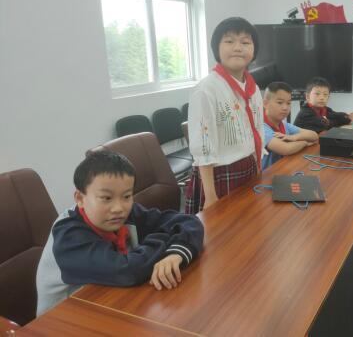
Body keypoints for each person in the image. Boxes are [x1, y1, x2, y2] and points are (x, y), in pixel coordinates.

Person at [36, 150, 204, 315]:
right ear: (80, 199)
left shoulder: (125, 213)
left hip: (108, 303)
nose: (118, 208)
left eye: (126, 196)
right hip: (64, 321)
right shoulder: (68, 237)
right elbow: (128, 270)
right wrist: (166, 237)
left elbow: (190, 222)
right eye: (106, 198)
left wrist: (175, 254)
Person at [185, 17, 264, 214]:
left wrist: (257, 166)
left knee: (248, 222)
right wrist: (210, 196)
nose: (238, 47)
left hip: (248, 166)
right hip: (219, 174)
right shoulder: (206, 89)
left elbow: (258, 129)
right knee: (221, 229)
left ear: (253, 50)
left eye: (245, 42)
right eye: (229, 41)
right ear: (217, 49)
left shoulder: (253, 88)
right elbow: (203, 146)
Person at [262, 82, 318, 170]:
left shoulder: (284, 125)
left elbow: (314, 135)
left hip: (284, 168)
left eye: (288, 103)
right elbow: (285, 149)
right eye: (280, 102)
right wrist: (305, 143)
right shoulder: (261, 128)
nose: (285, 108)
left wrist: (294, 137)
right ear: (265, 103)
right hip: (268, 174)